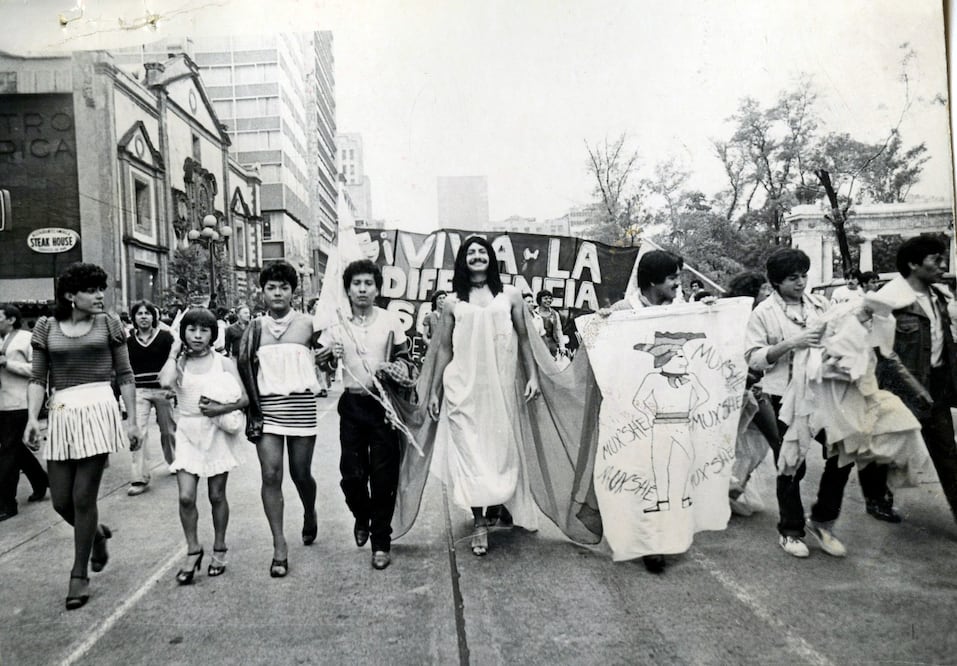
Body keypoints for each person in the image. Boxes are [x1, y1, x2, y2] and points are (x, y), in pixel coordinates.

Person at [23, 263, 139, 610]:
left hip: (99, 408)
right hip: (62, 412)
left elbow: (126, 374)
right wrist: (31, 418)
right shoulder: (46, 327)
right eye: (91, 290)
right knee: (61, 500)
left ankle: (78, 575)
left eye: (101, 289)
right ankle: (98, 535)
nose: (100, 295)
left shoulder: (109, 324)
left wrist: (132, 421)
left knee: (83, 497)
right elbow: (36, 378)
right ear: (71, 296)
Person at [427, 236, 541, 557]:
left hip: (501, 386)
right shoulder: (451, 302)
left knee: (499, 450)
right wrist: (436, 391)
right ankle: (479, 521)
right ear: (463, 261)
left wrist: (532, 375)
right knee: (469, 452)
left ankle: (500, 504)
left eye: (482, 251)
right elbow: (444, 349)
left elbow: (524, 337)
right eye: (470, 252)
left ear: (491, 259)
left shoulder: (510, 295)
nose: (477, 256)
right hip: (462, 387)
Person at [744, 249, 855, 559]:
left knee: (844, 450)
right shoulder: (763, 313)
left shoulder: (820, 305)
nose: (801, 282)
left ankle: (822, 520)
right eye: (793, 278)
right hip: (782, 397)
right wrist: (793, 343)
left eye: (804, 275)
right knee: (792, 461)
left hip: (821, 392)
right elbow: (752, 357)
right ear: (777, 282)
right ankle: (790, 531)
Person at [317, 260, 413, 570]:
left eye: (368, 283)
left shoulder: (390, 321)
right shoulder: (338, 323)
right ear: (347, 289)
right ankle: (361, 513)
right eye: (356, 284)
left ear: (377, 289)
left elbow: (404, 359)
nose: (362, 289)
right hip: (353, 405)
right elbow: (324, 365)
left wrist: (394, 369)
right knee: (352, 475)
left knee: (384, 476)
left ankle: (381, 542)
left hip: (383, 408)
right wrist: (330, 357)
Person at [237, 261, 319, 578]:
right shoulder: (254, 327)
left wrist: (328, 354)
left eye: (284, 287)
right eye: (271, 287)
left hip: (301, 407)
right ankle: (279, 545)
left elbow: (329, 354)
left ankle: (310, 512)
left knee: (301, 474)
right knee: (271, 475)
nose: (277, 293)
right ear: (263, 291)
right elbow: (243, 369)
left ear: (292, 292)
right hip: (267, 410)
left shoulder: (309, 324)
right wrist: (249, 411)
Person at [603, 249, 683, 573]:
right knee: (641, 475)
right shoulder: (623, 310)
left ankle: (658, 537)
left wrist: (711, 313)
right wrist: (600, 323)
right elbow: (603, 352)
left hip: (670, 409)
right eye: (673, 278)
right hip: (633, 410)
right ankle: (648, 540)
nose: (679, 284)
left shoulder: (681, 309)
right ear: (653, 281)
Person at [159, 308, 248, 583]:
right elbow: (164, 383)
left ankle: (219, 547)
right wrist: (174, 352)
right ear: (183, 332)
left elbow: (245, 399)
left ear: (213, 334)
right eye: (192, 330)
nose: (197, 336)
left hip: (216, 431)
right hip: (187, 430)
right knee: (186, 496)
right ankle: (193, 549)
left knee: (216, 495)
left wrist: (220, 408)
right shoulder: (179, 362)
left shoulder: (222, 362)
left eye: (204, 330)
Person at [873, 235, 957, 523]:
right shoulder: (888, 299)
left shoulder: (941, 297)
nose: (943, 265)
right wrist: (914, 387)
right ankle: (879, 497)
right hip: (901, 390)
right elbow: (884, 353)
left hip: (936, 385)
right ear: (913, 263)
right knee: (893, 449)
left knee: (947, 452)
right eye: (936, 259)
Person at [0, 304, 48, 520]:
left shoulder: (26, 338)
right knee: (16, 449)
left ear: (11, 319)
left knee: (8, 453)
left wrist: (8, 364)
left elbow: (37, 369)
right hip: (2, 403)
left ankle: (7, 503)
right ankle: (41, 480)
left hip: (21, 403)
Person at [126, 300, 176, 496]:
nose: (144, 316)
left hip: (162, 391)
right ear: (134, 318)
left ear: (153, 317)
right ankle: (139, 477)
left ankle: (175, 461)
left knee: (168, 430)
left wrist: (173, 386)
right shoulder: (129, 341)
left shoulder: (165, 337)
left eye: (148, 313)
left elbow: (175, 363)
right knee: (139, 432)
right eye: (139, 313)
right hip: (139, 391)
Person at [535, 290, 566, 358]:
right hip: (537, 345)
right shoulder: (534, 313)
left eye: (550, 298)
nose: (548, 300)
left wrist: (562, 347)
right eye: (545, 298)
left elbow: (558, 331)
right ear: (540, 300)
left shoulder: (555, 314)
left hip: (551, 345)